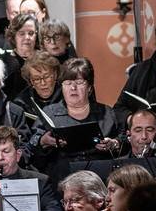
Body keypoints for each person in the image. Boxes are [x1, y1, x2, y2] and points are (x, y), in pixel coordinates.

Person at [27, 57, 120, 189]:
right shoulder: (49, 114)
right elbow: (31, 149)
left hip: (99, 182)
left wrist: (113, 144)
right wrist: (43, 142)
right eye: (68, 83)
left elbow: (123, 143)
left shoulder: (107, 113)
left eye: (79, 82)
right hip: (61, 182)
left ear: (89, 87)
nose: (73, 88)